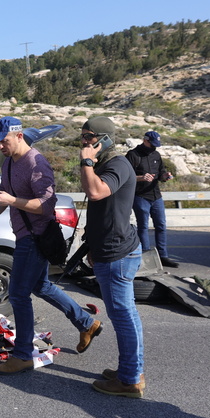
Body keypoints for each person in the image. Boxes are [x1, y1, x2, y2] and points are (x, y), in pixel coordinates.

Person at [0, 116, 102, 376]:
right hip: (25, 235)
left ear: (19, 136)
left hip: (36, 237)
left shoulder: (36, 162)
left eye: (4, 141)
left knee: (19, 295)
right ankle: (86, 322)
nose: (0, 146)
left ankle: (22, 355)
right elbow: (4, 199)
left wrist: (12, 199)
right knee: (41, 286)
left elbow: (45, 206)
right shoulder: (9, 163)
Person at [79, 116, 145, 398]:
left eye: (89, 136)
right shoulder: (106, 164)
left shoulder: (117, 163)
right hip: (108, 251)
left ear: (104, 139)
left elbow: (95, 192)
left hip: (118, 254)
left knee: (123, 317)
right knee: (126, 315)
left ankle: (129, 380)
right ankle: (132, 370)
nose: (84, 141)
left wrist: (86, 161)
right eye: (82, 136)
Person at [126, 131, 178, 268]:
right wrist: (141, 178)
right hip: (140, 196)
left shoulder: (156, 154)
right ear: (145, 140)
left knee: (161, 225)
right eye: (152, 144)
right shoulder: (133, 155)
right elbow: (126, 176)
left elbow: (160, 172)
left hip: (156, 196)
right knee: (143, 227)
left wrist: (165, 176)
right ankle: (146, 257)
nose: (154, 147)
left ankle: (163, 256)